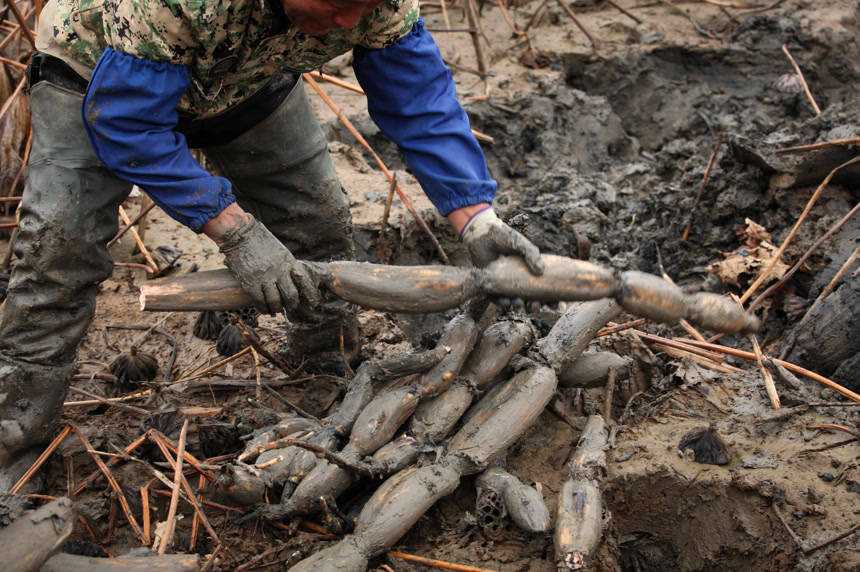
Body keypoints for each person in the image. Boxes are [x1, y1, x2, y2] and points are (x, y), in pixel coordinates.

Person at [0, 0, 544, 490]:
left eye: (362, 8)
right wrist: (235, 231)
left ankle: (327, 374)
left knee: (318, 222)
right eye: (335, 6)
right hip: (97, 72)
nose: (349, 23)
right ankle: (14, 443)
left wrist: (476, 220)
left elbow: (418, 98)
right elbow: (129, 125)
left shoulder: (378, 5)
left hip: (247, 79)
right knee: (56, 254)